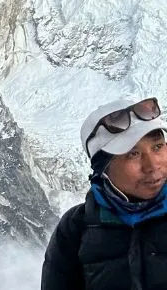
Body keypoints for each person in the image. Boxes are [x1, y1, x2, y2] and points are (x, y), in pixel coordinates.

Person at [41, 96, 167, 289]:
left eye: (157, 147)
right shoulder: (75, 230)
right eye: (133, 154)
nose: (152, 165)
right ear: (103, 168)